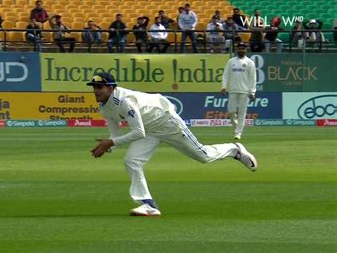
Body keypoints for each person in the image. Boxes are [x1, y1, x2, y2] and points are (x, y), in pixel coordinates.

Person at [88, 72, 258, 216]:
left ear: (110, 88)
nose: (96, 91)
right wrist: (108, 147)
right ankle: (149, 205)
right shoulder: (104, 107)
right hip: (149, 130)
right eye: (94, 87)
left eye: (99, 87)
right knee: (131, 161)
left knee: (203, 156)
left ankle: (234, 150)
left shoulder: (124, 101)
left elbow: (137, 133)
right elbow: (116, 135)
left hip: (167, 122)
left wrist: (110, 142)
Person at [221, 42, 256, 140]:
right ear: (236, 49)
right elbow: (225, 75)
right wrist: (224, 87)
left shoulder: (250, 63)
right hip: (233, 90)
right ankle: (237, 127)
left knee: (242, 112)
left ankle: (238, 133)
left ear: (246, 50)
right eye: (239, 48)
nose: (241, 50)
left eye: (243, 49)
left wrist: (252, 92)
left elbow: (252, 78)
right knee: (231, 111)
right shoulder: (231, 61)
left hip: (244, 91)